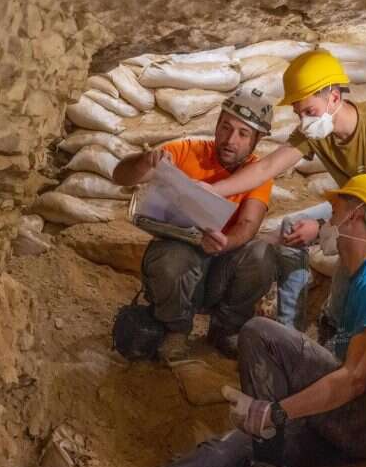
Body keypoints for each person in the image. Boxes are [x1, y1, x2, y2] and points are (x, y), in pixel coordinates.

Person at [14, 174, 366, 467]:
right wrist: (271, 417)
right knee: (234, 445)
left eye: (339, 207)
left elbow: (354, 379)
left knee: (261, 332)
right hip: (351, 418)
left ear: (358, 215)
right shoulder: (358, 277)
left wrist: (276, 411)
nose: (331, 216)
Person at [208, 49, 366, 334]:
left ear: (335, 98)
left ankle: (333, 327)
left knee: (350, 242)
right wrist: (213, 189)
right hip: (354, 206)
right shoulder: (316, 131)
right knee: (290, 227)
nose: (304, 121)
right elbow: (267, 168)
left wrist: (325, 227)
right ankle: (290, 330)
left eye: (309, 111)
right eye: (298, 113)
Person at [112, 88, 276, 361]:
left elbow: (249, 223)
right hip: (179, 262)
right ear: (217, 124)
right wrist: (143, 162)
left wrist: (226, 243)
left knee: (261, 254)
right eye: (225, 128)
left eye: (243, 134)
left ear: (257, 140)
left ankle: (225, 329)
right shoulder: (187, 151)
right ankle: (175, 329)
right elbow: (120, 176)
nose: (230, 140)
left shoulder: (258, 172)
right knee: (172, 258)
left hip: (219, 267)